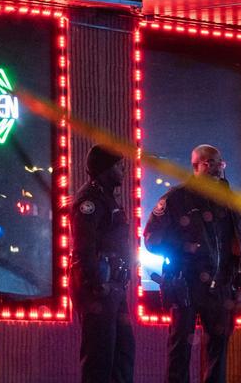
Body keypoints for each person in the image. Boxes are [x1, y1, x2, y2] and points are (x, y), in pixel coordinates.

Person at [144, 144, 241, 383]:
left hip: (222, 285)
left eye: (220, 163)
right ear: (201, 165)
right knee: (180, 349)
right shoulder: (176, 199)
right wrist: (182, 248)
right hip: (184, 284)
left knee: (218, 348)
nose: (219, 168)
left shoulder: (233, 203)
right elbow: (151, 239)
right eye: (214, 162)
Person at [70, 144, 136, 383]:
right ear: (106, 168)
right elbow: (84, 247)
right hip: (99, 289)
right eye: (118, 165)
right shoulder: (90, 201)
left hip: (113, 287)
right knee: (99, 358)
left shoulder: (107, 198)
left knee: (123, 353)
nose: (122, 170)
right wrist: (99, 283)